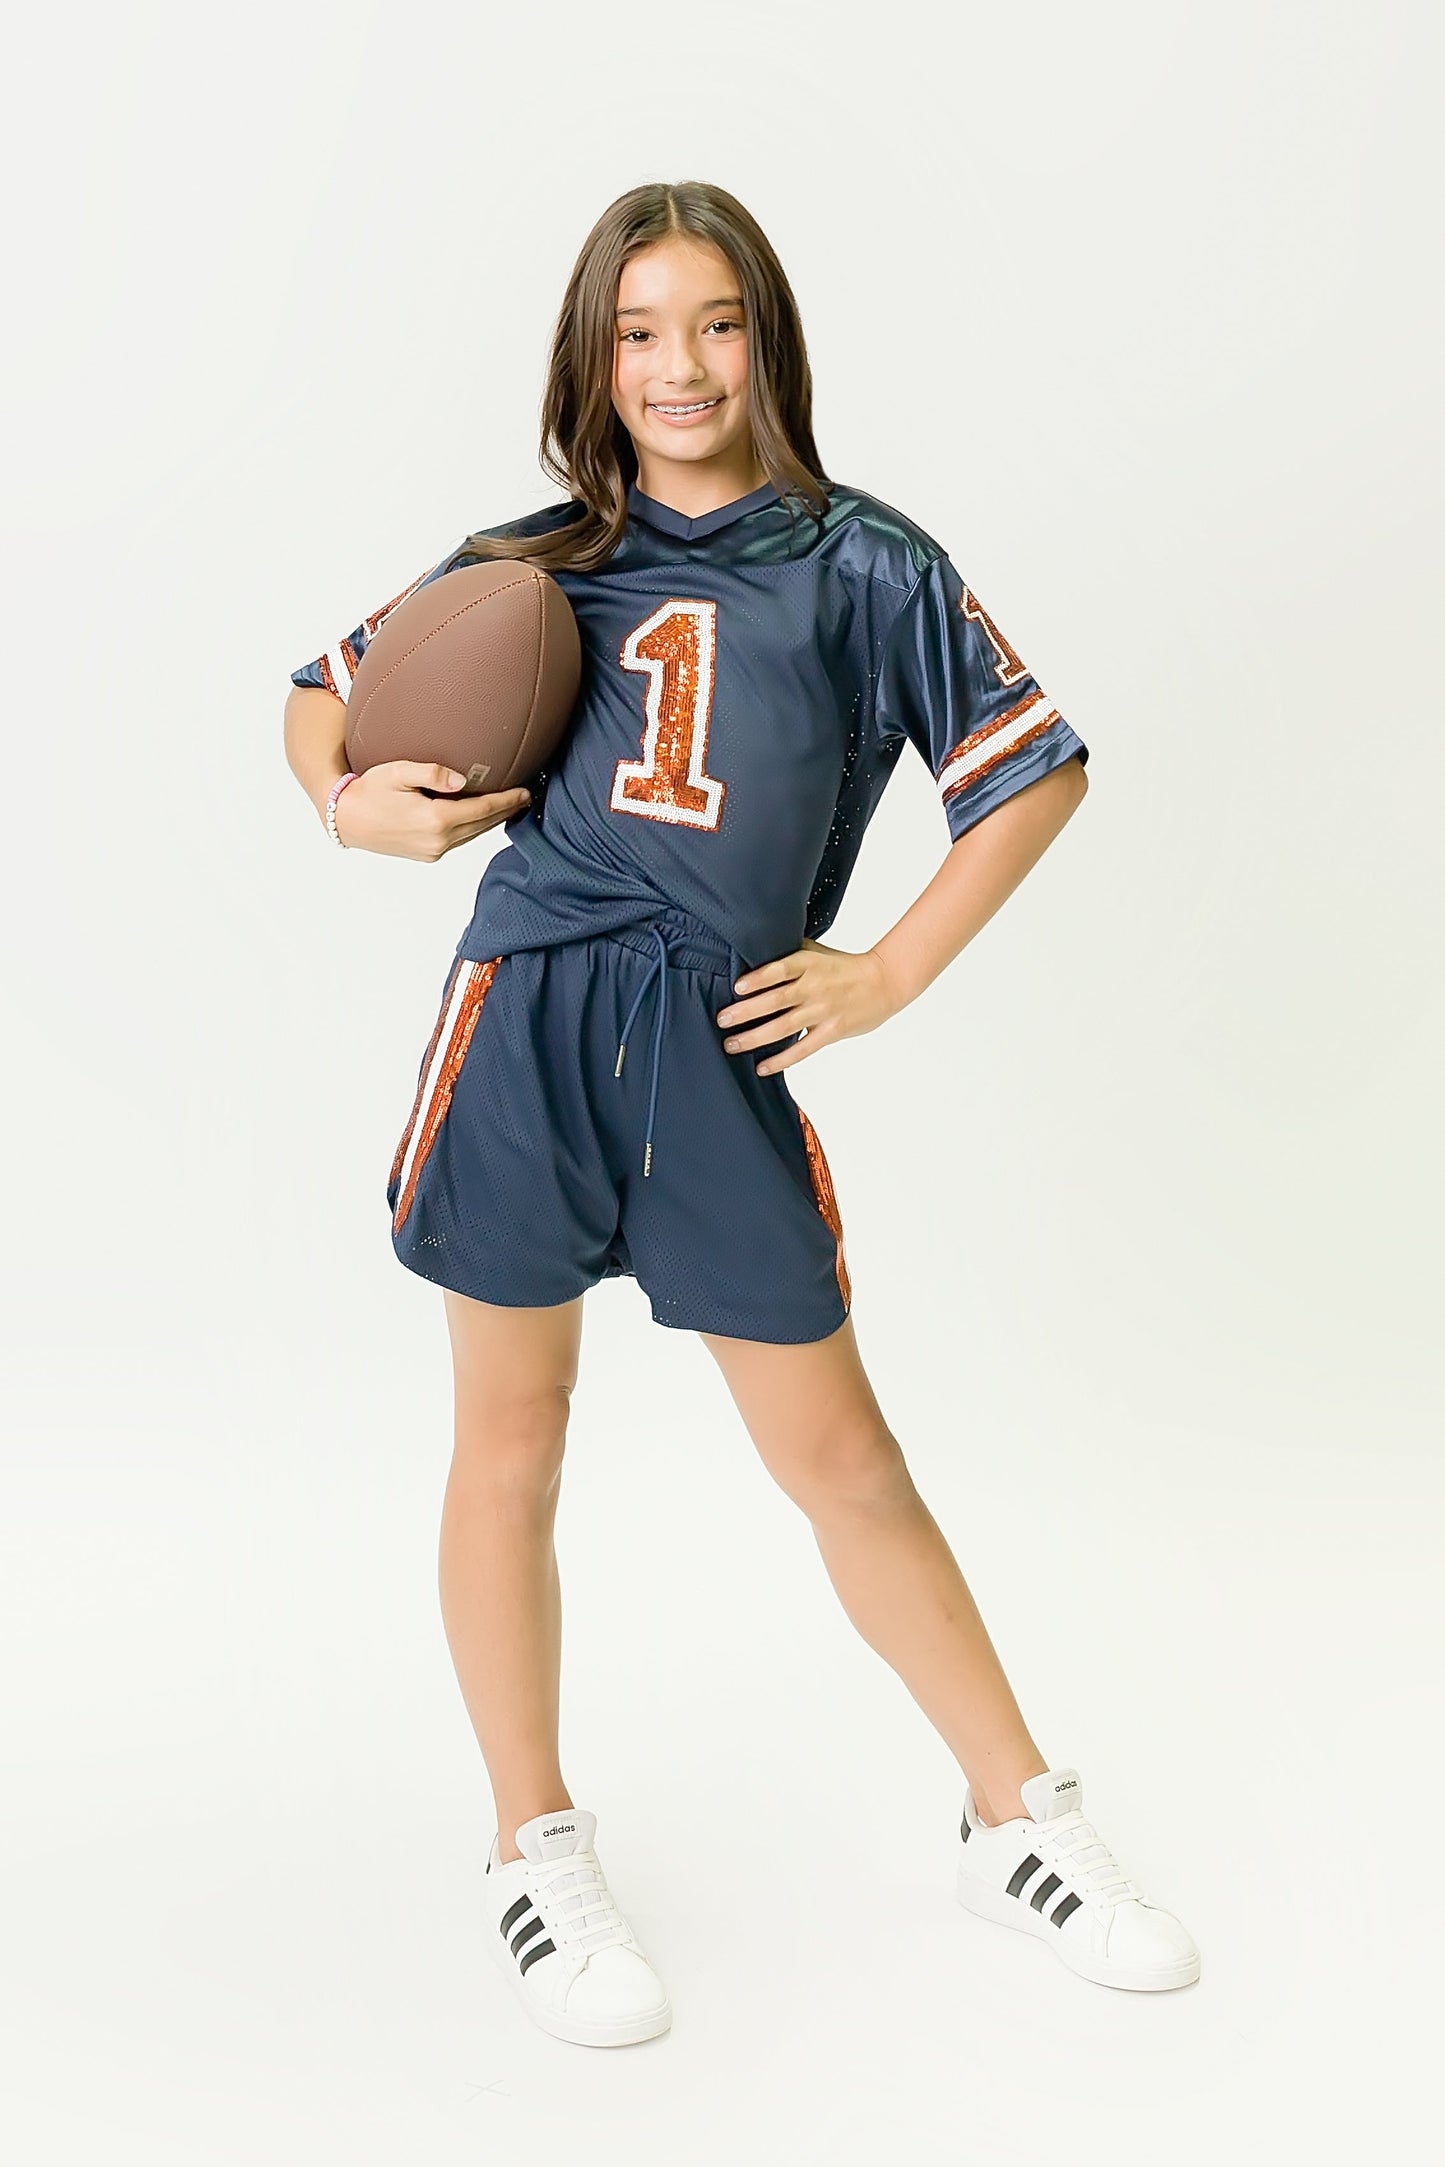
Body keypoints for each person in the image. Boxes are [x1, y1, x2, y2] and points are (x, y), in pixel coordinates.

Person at [283, 179, 1199, 2048]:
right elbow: (323, 697)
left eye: (711, 323)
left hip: (718, 1045)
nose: (677, 364)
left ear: (764, 336)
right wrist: (345, 801)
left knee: (842, 1460)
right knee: (510, 1442)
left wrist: (887, 970)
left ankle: (1016, 1815)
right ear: (589, 359)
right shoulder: (528, 557)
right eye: (636, 332)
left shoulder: (865, 562)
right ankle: (531, 1844)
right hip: (525, 1019)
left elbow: (1034, 775)